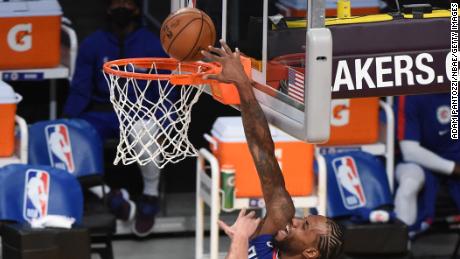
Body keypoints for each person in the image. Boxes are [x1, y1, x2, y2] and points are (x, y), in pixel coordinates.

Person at [202, 40, 344, 259]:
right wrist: (242, 84)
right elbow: (262, 150)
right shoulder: (275, 232)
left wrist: (240, 239)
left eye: (303, 226)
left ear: (310, 251)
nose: (295, 221)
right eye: (303, 220)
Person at [63, 0, 167, 237]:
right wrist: (68, 121)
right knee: (67, 141)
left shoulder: (151, 44)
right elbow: (80, 88)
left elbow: (165, 91)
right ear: (108, 10)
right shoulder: (93, 44)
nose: (121, 8)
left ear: (137, 9)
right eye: (116, 3)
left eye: (126, 3)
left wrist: (164, 121)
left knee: (146, 133)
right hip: (101, 112)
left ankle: (150, 195)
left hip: (139, 112)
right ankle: (109, 196)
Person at [394, 93, 460, 233]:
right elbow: (410, 151)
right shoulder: (411, 93)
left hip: (455, 156)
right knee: (409, 184)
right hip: (419, 161)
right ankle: (403, 244)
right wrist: (452, 167)